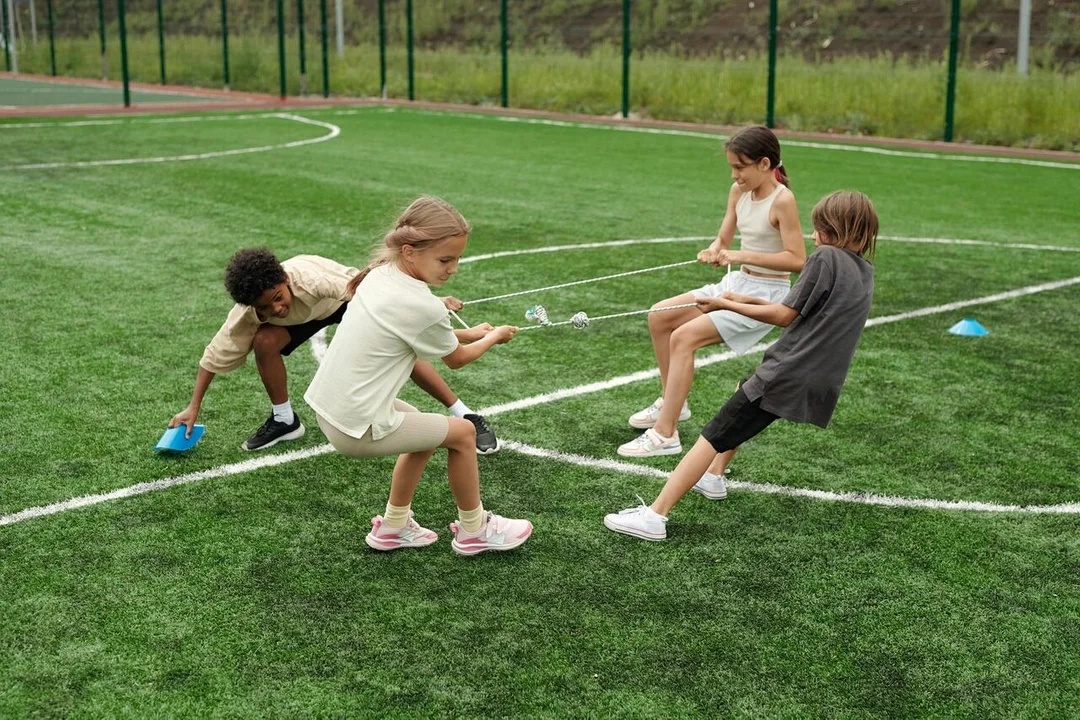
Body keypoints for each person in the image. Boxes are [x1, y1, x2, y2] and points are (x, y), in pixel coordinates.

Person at [605, 190, 878, 541]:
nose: (813, 237)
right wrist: (736, 297)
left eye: (818, 229)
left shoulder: (824, 257)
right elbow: (802, 306)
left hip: (787, 371)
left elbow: (784, 314)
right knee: (742, 390)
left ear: (835, 229)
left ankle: (655, 516)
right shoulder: (864, 271)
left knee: (712, 434)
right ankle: (714, 476)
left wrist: (725, 306)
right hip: (820, 378)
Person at [304, 196, 533, 555]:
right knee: (463, 433)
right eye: (445, 259)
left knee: (425, 433)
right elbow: (456, 360)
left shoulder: (381, 274)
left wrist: (470, 332)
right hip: (357, 423)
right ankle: (475, 530)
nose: (453, 268)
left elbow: (408, 331)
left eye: (457, 258)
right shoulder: (421, 304)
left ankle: (393, 527)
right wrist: (492, 337)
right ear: (409, 251)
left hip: (332, 406)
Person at [617, 125, 807, 506]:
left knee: (683, 337)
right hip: (735, 281)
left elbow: (797, 260)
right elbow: (723, 238)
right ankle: (674, 403)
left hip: (763, 295)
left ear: (765, 163)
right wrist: (715, 248)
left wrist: (738, 254)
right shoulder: (739, 191)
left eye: (740, 167)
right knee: (660, 316)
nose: (735, 175)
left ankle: (665, 433)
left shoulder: (783, 200)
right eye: (732, 168)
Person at [168, 249, 501, 453]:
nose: (276, 308)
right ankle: (285, 420)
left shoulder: (311, 278)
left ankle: (464, 414)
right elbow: (214, 354)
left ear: (285, 279)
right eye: (265, 306)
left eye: (278, 297)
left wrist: (428, 305)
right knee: (264, 341)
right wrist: (193, 406)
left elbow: (377, 296)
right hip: (305, 321)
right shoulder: (251, 311)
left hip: (344, 301)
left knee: (397, 344)